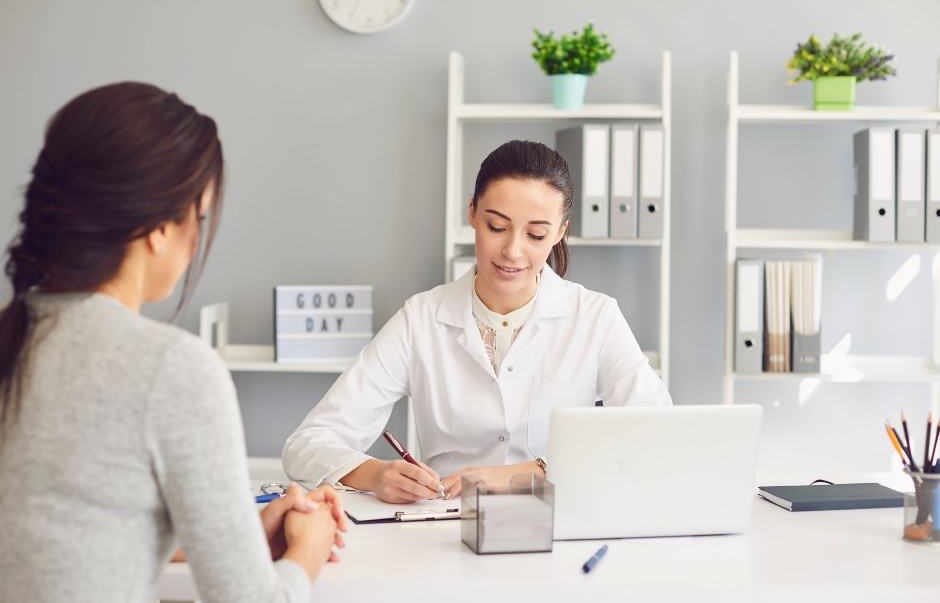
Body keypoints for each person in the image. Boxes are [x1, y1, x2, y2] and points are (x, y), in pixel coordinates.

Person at [0, 82, 346, 603]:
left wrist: (241, 533)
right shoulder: (170, 369)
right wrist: (308, 551)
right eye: (198, 217)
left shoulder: (15, 337)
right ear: (161, 227)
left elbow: (67, 541)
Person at [282, 139, 671, 504]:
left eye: (536, 234)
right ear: (472, 212)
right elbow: (307, 444)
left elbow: (658, 432)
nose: (513, 251)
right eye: (496, 227)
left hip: (559, 526)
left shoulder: (595, 318)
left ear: (560, 233)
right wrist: (374, 474)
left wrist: (527, 473)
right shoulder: (421, 320)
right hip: (446, 528)